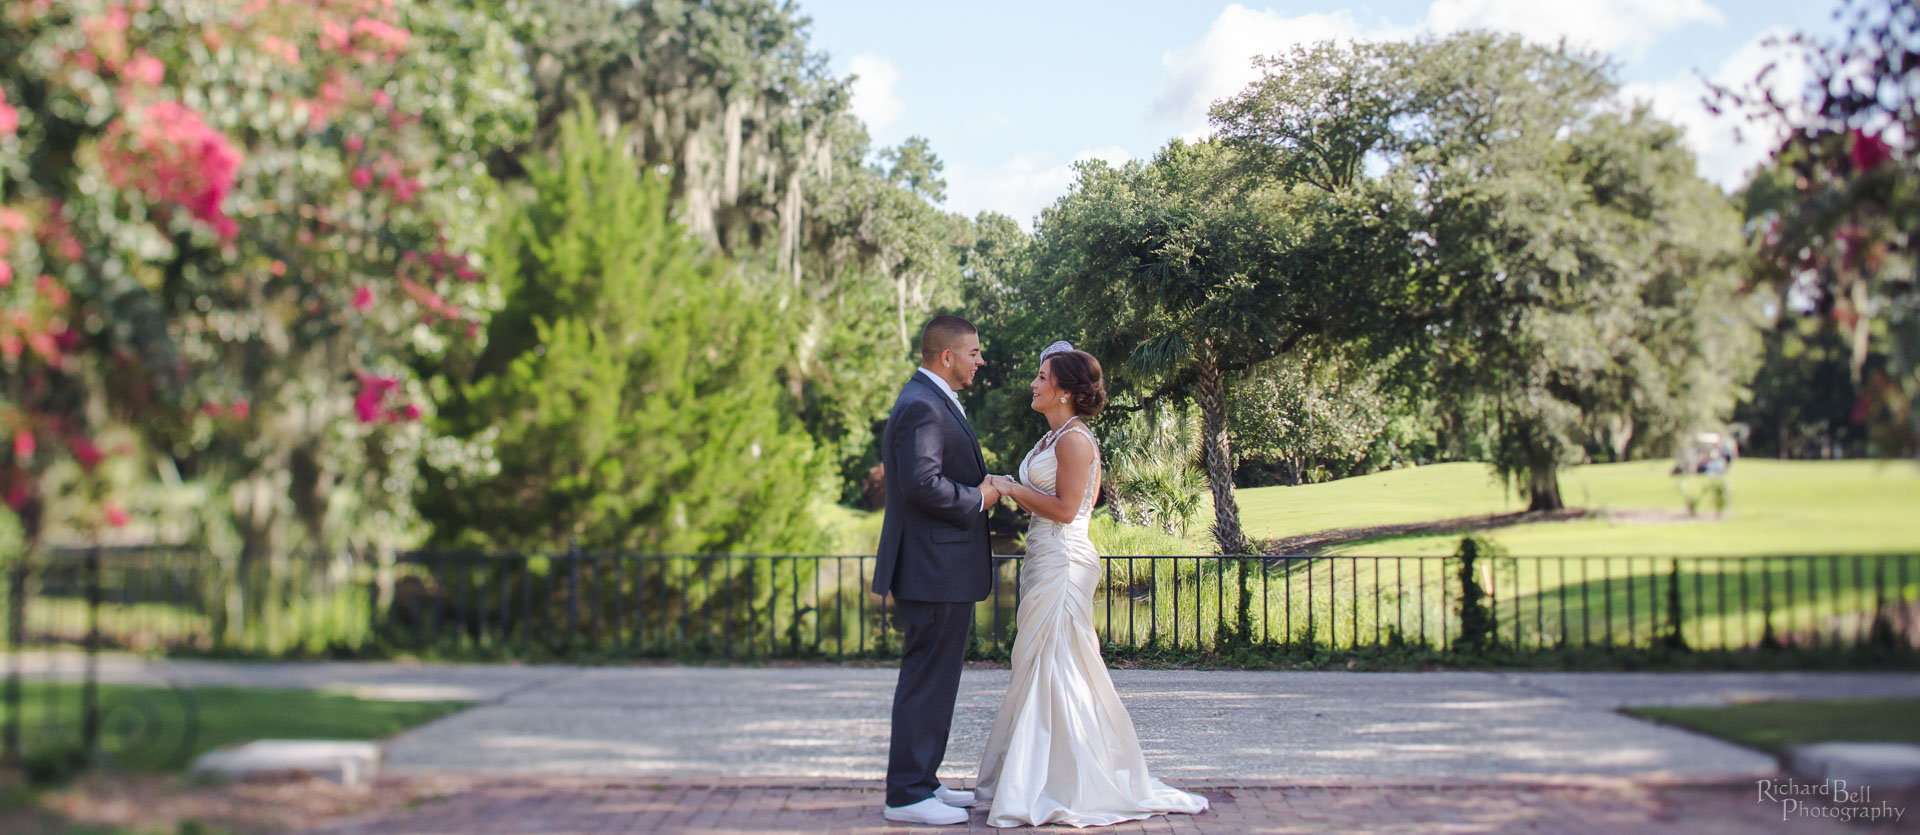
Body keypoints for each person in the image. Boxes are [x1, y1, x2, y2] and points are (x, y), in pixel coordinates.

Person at [973, 341, 1209, 828]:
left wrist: (1009, 486)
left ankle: (1062, 783)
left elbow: (1066, 509)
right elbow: (1070, 502)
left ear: (1063, 390)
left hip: (1063, 560)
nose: (1034, 384)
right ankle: (1040, 775)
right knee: (1038, 660)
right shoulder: (1052, 438)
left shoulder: (1076, 440)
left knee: (1058, 660)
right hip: (1044, 555)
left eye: (1042, 377)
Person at [872, 314, 1002, 826]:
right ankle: (905, 795)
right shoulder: (922, 405)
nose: (981, 360)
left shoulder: (928, 399)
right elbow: (921, 484)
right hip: (931, 570)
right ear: (946, 357)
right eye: (974, 352)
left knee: (935, 680)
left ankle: (922, 781)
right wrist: (980, 497)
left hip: (939, 568)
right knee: (926, 681)